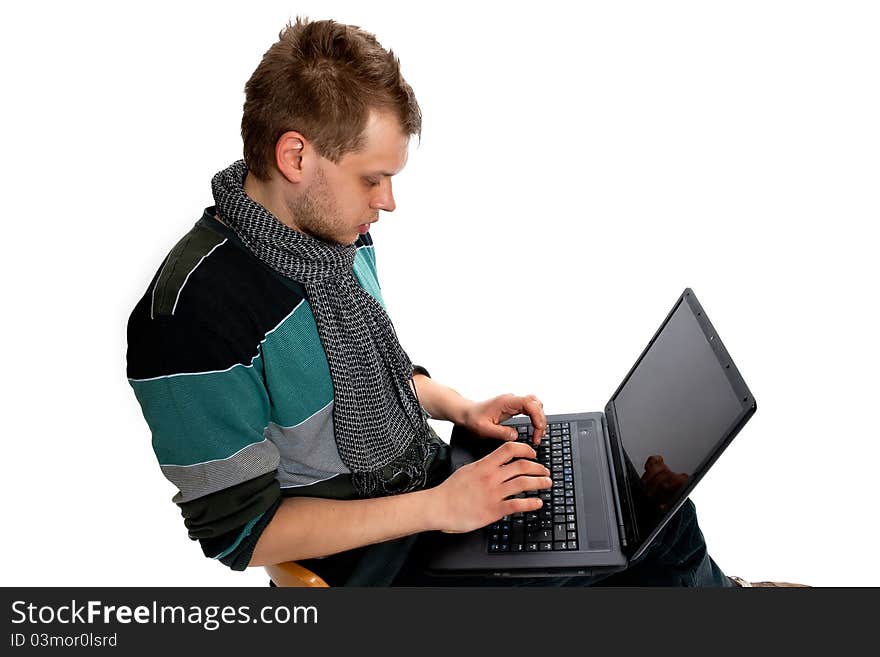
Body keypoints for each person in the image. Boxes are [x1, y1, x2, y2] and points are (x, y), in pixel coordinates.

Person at [126, 17, 796, 587]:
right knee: (647, 529)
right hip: (383, 567)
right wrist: (443, 508)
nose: (387, 201)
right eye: (374, 177)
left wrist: (462, 408)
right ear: (296, 156)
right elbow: (243, 533)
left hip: (429, 494)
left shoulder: (332, 235)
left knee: (645, 503)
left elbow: (378, 379)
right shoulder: (188, 317)